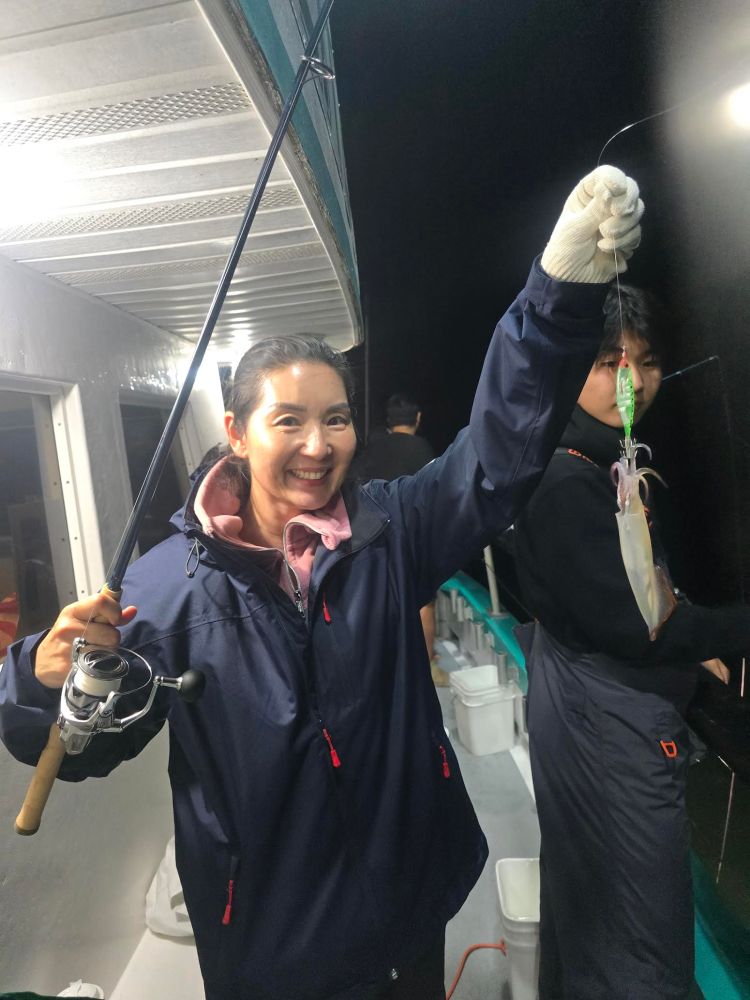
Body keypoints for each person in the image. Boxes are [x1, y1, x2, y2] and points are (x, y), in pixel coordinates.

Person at [0, 166, 643, 1000]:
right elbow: (80, 749)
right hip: (279, 952)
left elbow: (496, 457)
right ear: (236, 433)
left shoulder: (392, 529)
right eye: (289, 421)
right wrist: (39, 677)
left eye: (336, 418)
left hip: (412, 904)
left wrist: (558, 297)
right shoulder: (161, 591)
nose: (318, 444)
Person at [513, 284, 750, 1000]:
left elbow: (641, 595)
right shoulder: (566, 479)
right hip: (603, 720)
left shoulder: (602, 458)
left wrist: (693, 637)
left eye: (646, 362)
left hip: (584, 699)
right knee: (635, 919)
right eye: (609, 363)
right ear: (571, 371)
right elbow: (640, 628)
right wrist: (730, 628)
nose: (634, 381)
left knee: (588, 902)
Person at [352, 394, 442, 678]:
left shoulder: (373, 446)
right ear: (418, 419)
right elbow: (433, 495)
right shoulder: (423, 448)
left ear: (390, 422)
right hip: (409, 532)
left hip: (367, 533)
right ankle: (427, 667)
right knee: (423, 602)